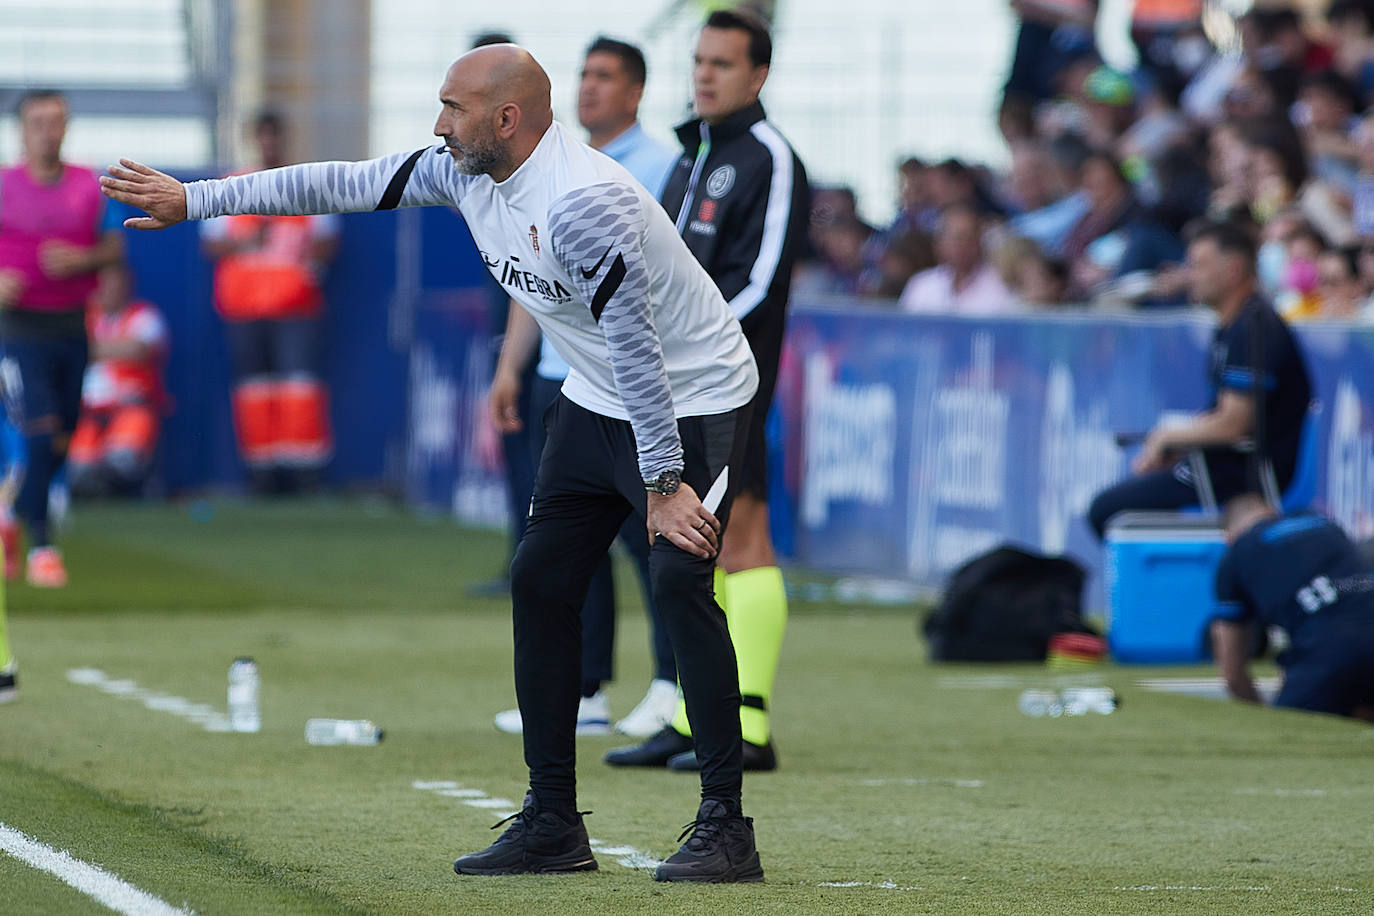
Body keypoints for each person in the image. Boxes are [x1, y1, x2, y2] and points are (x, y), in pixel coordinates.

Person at [102, 42, 765, 884]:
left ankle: (725, 828)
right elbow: (340, 182)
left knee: (679, 585)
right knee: (540, 580)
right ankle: (554, 822)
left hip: (692, 397)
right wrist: (195, 199)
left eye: (453, 108)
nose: (438, 124)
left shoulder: (584, 203)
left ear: (507, 119)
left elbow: (639, 348)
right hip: (598, 394)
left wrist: (664, 486)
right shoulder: (463, 168)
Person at [606, 8, 808, 775]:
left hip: (734, 382)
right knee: (694, 544)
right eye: (699, 61)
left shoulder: (769, 156)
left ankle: (747, 726)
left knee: (744, 539)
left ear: (757, 75)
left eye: (723, 63)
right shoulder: (693, 156)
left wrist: (695, 346)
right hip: (678, 384)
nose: (706, 74)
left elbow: (761, 281)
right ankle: (697, 715)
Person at [487, 35, 681, 739]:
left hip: (625, 386)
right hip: (555, 379)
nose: (589, 88)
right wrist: (511, 366)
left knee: (650, 536)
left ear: (634, 92)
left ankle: (670, 682)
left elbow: (662, 279)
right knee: (568, 542)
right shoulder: (546, 164)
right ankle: (586, 689)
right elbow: (529, 274)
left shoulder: (662, 167)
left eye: (605, 77)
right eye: (584, 75)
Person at [1087, 221, 1312, 539]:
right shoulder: (1236, 324)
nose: (1188, 275)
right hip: (1217, 465)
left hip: (1239, 476)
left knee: (1107, 510)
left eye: (1198, 265)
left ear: (1233, 269)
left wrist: (1168, 437)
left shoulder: (1255, 328)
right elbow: (1222, 415)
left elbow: (1234, 424)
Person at [0, 89, 125, 587]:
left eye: (57, 122)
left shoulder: (88, 186)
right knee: (37, 427)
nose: (48, 132)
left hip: (72, 324)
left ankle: (9, 512)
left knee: (62, 434)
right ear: (22, 129)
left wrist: (83, 260)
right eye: (38, 122)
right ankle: (43, 546)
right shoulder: (5, 185)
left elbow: (114, 245)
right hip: (18, 328)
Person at [200, 111, 339, 496]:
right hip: (243, 308)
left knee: (299, 386)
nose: (269, 144)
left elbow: (328, 241)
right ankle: (261, 470)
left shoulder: (306, 185)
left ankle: (304, 470)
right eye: (262, 136)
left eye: (274, 136)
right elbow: (210, 242)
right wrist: (249, 241)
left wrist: (301, 253)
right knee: (254, 389)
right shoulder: (231, 184)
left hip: (295, 307)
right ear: (253, 139)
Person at [1212, 494, 1374, 721]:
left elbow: (1232, 670)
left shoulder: (1237, 553)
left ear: (1228, 536)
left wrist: (1260, 718)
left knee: (1290, 733)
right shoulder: (1322, 523)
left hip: (1330, 652)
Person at [68, 263, 168, 498]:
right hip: (88, 412)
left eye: (115, 281)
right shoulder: (83, 317)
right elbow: (71, 350)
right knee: (78, 470)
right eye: (103, 283)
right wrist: (107, 349)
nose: (109, 289)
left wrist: (92, 350)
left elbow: (138, 350)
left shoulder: (145, 315)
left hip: (130, 408)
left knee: (122, 463)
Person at [899, 203, 1020, 315]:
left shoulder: (1000, 286)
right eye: (951, 237)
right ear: (938, 242)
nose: (959, 245)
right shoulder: (921, 284)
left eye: (966, 237)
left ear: (979, 241)